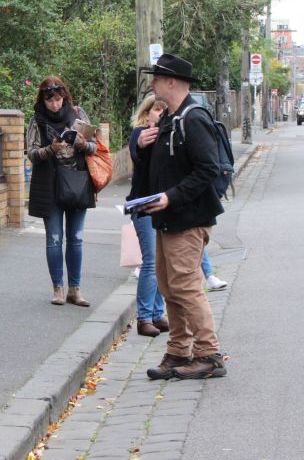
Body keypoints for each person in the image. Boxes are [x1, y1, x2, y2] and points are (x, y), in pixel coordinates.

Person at [137, 53, 227, 380]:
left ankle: (209, 354)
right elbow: (160, 170)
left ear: (172, 81)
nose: (152, 84)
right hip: (167, 218)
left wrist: (170, 197)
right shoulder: (168, 119)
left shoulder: (193, 118)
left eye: (157, 78)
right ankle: (178, 351)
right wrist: (143, 147)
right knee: (168, 285)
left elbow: (209, 169)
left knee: (186, 286)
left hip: (188, 218)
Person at [26, 77, 98, 307]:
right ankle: (58, 288)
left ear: (64, 97)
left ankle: (74, 289)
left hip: (77, 181)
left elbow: (94, 147)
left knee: (76, 238)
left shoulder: (77, 113)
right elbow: (31, 153)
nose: (55, 105)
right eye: (50, 101)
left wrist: (81, 145)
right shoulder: (36, 119)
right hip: (49, 184)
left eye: (58, 99)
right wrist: (51, 149)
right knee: (54, 239)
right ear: (43, 100)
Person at [128, 95, 169, 338]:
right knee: (150, 261)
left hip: (162, 205)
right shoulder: (140, 134)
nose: (160, 113)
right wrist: (143, 144)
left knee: (161, 261)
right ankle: (144, 317)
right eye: (156, 109)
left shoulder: (167, 135)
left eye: (164, 110)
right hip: (143, 205)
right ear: (146, 112)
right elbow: (137, 151)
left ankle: (156, 312)